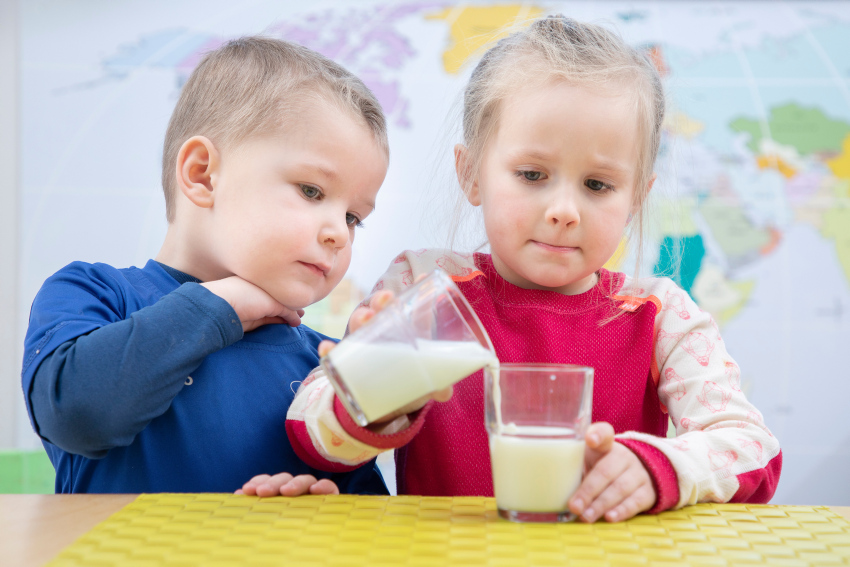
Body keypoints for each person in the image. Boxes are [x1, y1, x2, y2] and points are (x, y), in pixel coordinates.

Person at [241, 16, 782, 522]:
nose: (564, 211)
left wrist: (657, 467)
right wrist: (369, 398)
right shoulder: (425, 288)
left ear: (636, 198)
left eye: (597, 185)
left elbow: (753, 448)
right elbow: (309, 431)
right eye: (531, 174)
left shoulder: (661, 317)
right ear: (472, 173)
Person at [21, 37, 390, 495]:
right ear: (202, 175)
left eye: (354, 217)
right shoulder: (94, 293)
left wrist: (335, 512)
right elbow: (76, 414)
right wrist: (222, 305)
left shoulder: (324, 365)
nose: (338, 231)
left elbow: (369, 513)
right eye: (312, 191)